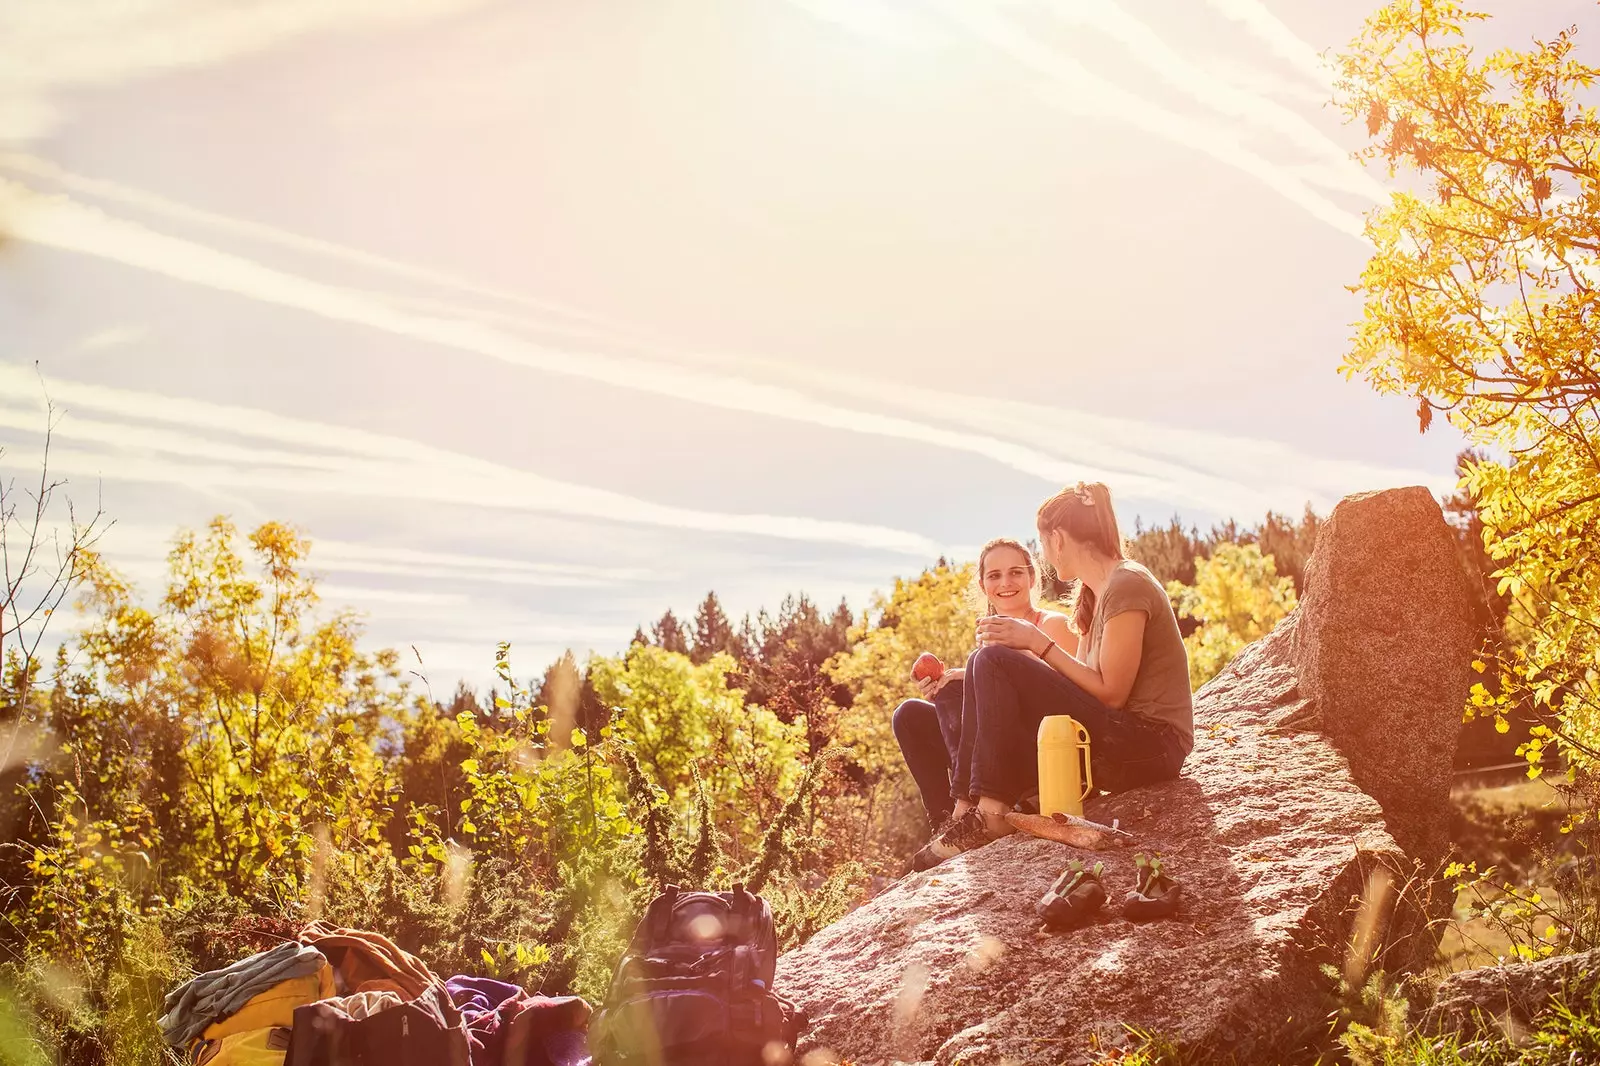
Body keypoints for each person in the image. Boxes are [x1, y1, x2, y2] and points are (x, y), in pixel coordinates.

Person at [919, 481, 1193, 867]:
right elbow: (1077, 686)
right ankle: (965, 814)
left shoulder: (1128, 584)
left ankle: (991, 814)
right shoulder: (1096, 595)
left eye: (1043, 543)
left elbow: (1111, 694)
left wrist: (1036, 643)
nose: (1046, 555)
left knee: (992, 659)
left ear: (1058, 539)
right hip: (1120, 742)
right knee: (984, 661)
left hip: (1153, 747)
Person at [892, 538, 1077, 834]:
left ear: (1032, 577)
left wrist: (966, 677)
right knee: (909, 714)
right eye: (994, 575)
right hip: (992, 755)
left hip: (1043, 753)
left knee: (955, 689)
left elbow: (1066, 693)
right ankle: (944, 822)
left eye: (1016, 572)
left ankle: (968, 810)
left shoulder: (1053, 624)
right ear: (983, 585)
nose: (1006, 582)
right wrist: (945, 690)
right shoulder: (988, 635)